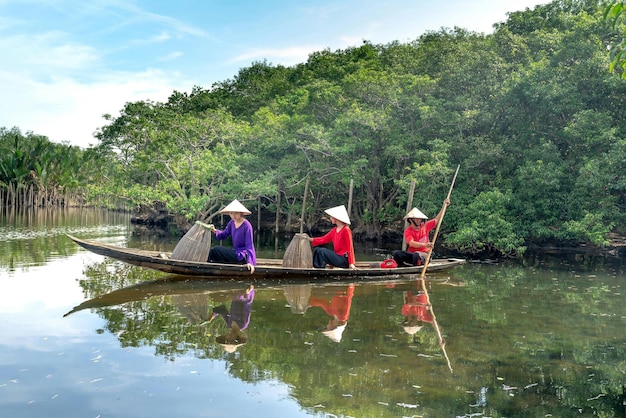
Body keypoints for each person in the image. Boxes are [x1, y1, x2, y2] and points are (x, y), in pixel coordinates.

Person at [392, 198, 450, 267]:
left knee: (417, 255)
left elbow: (437, 219)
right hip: (412, 254)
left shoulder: (425, 226)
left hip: (424, 255)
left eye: (420, 218)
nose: (419, 220)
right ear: (411, 220)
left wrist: (444, 206)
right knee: (396, 253)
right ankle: (403, 267)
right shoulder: (408, 230)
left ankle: (415, 268)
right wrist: (425, 244)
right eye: (417, 218)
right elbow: (411, 243)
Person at [207, 199, 257, 274]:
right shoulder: (231, 223)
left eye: (236, 213)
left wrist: (250, 262)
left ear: (241, 213)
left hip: (243, 256)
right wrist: (215, 230)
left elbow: (249, 245)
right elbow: (224, 234)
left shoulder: (247, 226)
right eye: (231, 213)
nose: (233, 216)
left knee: (216, 250)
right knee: (213, 252)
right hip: (236, 253)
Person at [307, 205, 357, 269]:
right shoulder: (334, 230)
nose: (330, 218)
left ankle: (319, 269)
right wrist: (310, 239)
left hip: (344, 259)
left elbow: (350, 247)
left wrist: (351, 263)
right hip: (338, 257)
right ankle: (318, 268)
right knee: (317, 250)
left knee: (321, 251)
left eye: (331, 217)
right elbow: (323, 239)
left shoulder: (346, 230)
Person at [209, 284, 255, 352]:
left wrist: (213, 315)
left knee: (214, 296)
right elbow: (247, 306)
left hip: (235, 294)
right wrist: (247, 294)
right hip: (245, 294)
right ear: (237, 338)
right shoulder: (243, 324)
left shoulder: (229, 324)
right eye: (230, 340)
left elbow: (222, 310)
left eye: (227, 339)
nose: (228, 338)